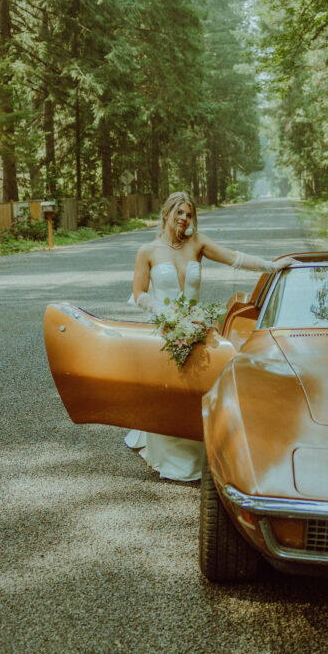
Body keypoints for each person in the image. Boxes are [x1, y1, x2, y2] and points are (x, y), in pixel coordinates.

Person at [126, 191, 292, 482]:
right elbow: (139, 292)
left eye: (188, 214)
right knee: (168, 388)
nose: (184, 219)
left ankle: (202, 448)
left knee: (202, 384)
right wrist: (161, 313)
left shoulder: (198, 243)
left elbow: (233, 258)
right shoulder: (147, 252)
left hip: (198, 327)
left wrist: (271, 266)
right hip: (166, 329)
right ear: (166, 214)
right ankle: (167, 453)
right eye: (179, 213)